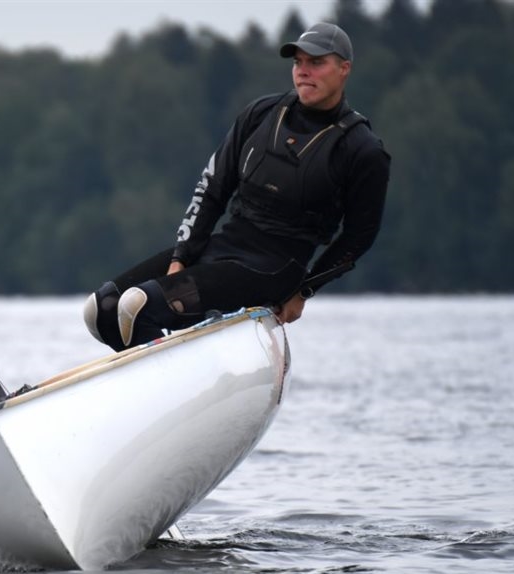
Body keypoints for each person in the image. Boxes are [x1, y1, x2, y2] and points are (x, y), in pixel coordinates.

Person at [84, 22, 391, 351]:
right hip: (224, 247)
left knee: (137, 306)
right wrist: (182, 255)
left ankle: (175, 375)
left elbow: (359, 237)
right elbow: (212, 189)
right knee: (103, 309)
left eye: (316, 62)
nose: (304, 71)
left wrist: (304, 290)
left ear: (344, 69)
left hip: (275, 268)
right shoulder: (261, 113)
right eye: (298, 62)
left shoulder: (362, 149)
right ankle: (160, 375)